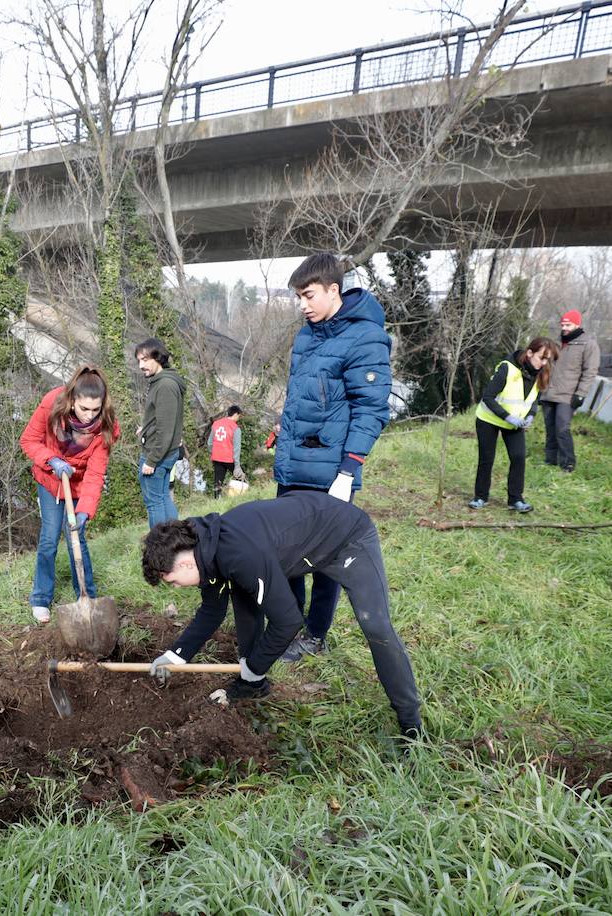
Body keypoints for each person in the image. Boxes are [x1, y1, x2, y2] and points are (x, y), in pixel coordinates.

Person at [141, 492, 421, 741]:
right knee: (244, 597)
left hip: (347, 537)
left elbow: (287, 621)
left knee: (376, 627)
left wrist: (256, 664)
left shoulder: (239, 553)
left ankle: (410, 721)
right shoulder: (208, 551)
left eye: (172, 581)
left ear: (186, 562)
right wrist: (175, 656)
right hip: (303, 542)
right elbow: (212, 611)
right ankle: (253, 685)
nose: (176, 587)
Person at [273, 252, 393, 663]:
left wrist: (348, 470)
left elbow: (371, 409)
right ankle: (287, 627)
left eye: (308, 295)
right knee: (285, 551)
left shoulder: (366, 338)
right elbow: (304, 397)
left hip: (330, 473)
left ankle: (314, 635)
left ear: (333, 290)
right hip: (293, 465)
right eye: (298, 297)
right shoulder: (307, 335)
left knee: (324, 561)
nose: (302, 304)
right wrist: (282, 433)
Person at [19, 366, 120, 624]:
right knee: (50, 538)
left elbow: (95, 473)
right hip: (51, 479)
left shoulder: (106, 426)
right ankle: (40, 598)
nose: (89, 416)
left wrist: (86, 508)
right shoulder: (52, 404)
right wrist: (51, 459)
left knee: (77, 537)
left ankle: (87, 596)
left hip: (78, 485)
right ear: (73, 400)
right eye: (84, 409)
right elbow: (29, 440)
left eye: (95, 410)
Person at [469, 338, 560, 513]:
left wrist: (531, 416)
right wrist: (508, 417)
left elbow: (534, 400)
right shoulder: (507, 368)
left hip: (515, 423)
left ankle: (515, 499)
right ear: (530, 353)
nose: (544, 363)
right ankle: (480, 497)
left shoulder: (541, 372)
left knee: (518, 458)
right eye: (541, 358)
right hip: (489, 419)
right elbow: (487, 398)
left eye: (547, 359)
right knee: (487, 459)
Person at [541, 309, 600, 473]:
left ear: (577, 324)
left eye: (568, 324)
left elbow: (590, 371)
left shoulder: (588, 344)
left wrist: (581, 394)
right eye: (563, 324)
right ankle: (550, 459)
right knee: (550, 428)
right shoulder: (556, 342)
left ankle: (568, 463)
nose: (564, 328)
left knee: (562, 428)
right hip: (548, 392)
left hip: (568, 395)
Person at [136, 338, 187, 526]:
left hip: (157, 454)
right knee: (163, 497)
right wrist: (146, 429)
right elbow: (164, 418)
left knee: (154, 502)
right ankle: (174, 539)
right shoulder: (163, 381)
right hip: (165, 452)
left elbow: (166, 429)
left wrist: (152, 460)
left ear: (158, 358)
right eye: (139, 361)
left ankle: (160, 547)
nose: (141, 365)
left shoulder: (165, 385)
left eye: (145, 360)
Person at [208, 405, 245, 491]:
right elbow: (236, 449)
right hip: (229, 458)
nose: (238, 418)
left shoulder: (216, 424)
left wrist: (212, 453)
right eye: (239, 416)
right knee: (241, 479)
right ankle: (239, 497)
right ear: (235, 414)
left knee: (218, 482)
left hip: (216, 457)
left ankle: (217, 500)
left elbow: (209, 443)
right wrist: (237, 465)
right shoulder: (235, 428)